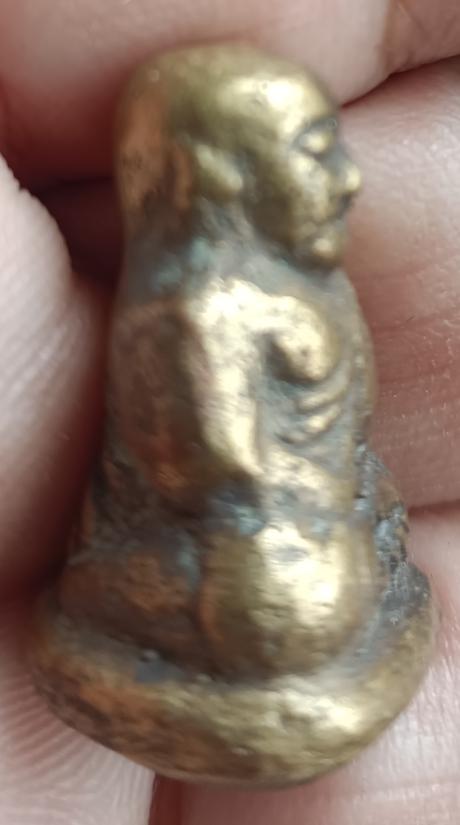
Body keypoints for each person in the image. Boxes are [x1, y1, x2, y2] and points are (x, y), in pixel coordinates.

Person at [0, 0, 459, 823]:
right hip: (244, 559)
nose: (347, 180)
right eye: (314, 155)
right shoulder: (200, 313)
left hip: (310, 540)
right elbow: (217, 470)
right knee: (285, 599)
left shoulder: (312, 290)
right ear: (226, 178)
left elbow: (341, 443)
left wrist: (355, 504)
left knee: (332, 574)